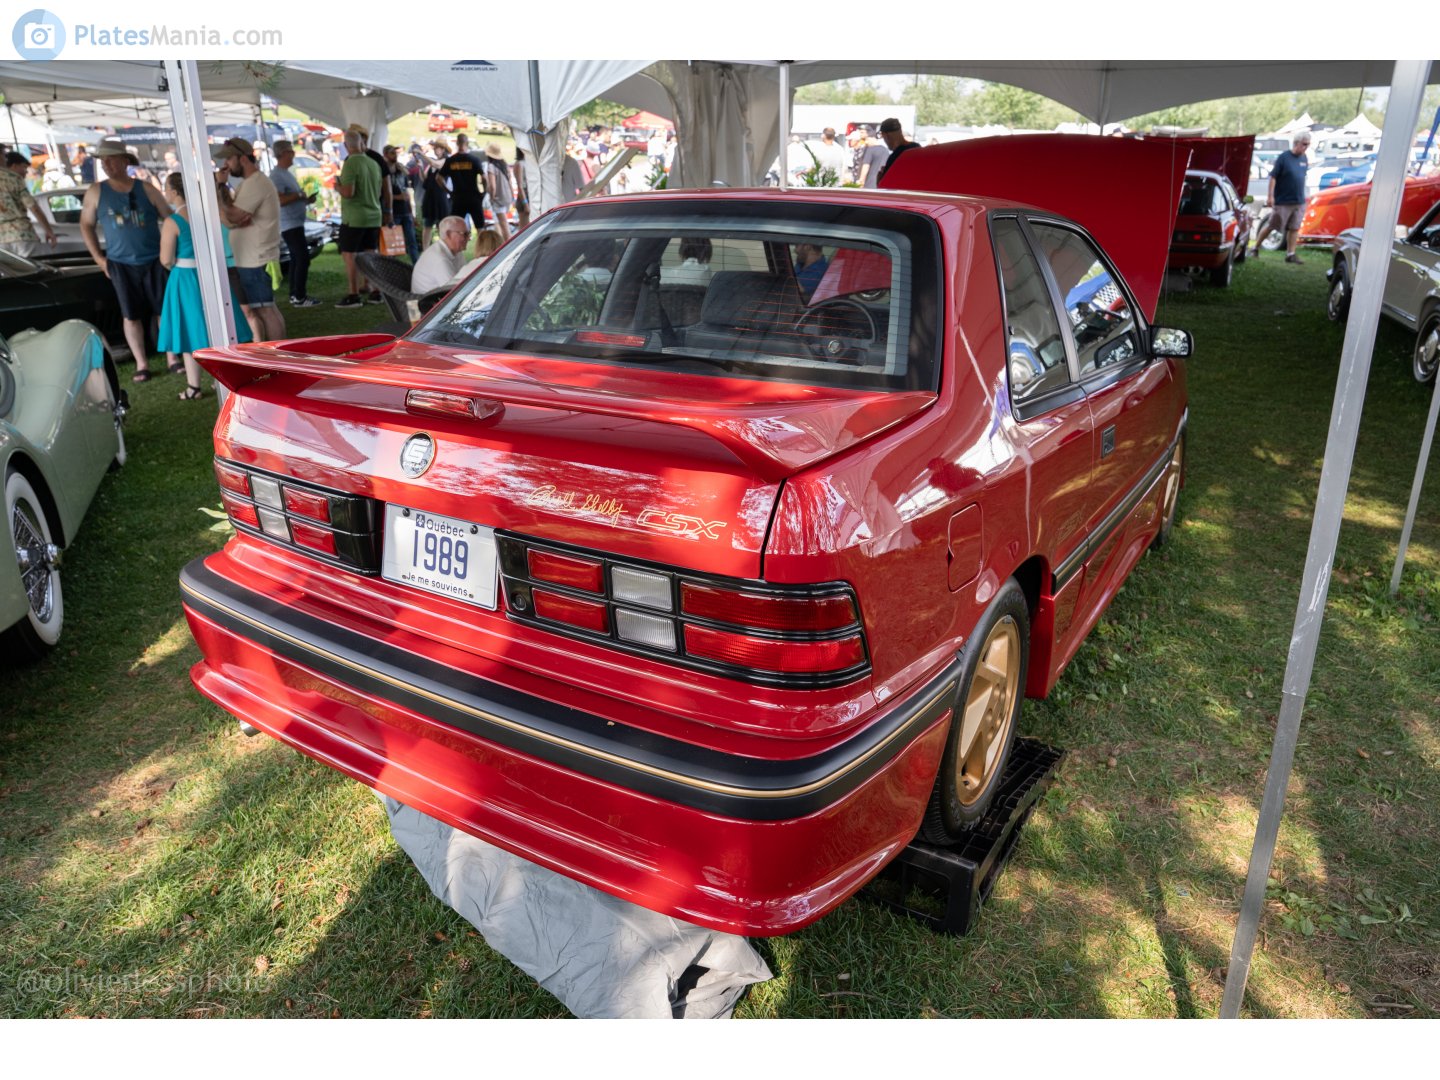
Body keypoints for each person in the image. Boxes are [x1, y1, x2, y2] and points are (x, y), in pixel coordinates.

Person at [79, 136, 172, 381]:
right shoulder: (96, 191)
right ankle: (142, 363)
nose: (106, 165)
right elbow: (86, 225)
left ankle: (172, 358)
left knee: (163, 311)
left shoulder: (146, 188)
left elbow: (169, 217)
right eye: (103, 161)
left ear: (124, 161)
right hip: (120, 263)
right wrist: (100, 259)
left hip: (153, 260)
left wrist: (169, 251)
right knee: (130, 315)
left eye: (111, 160)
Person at [156, 172, 252, 400]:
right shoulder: (206, 215)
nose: (165, 192)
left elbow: (165, 258)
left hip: (185, 277)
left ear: (175, 191)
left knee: (190, 330)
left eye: (167, 188)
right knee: (217, 325)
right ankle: (219, 378)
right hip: (211, 274)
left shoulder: (173, 221)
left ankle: (194, 386)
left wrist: (176, 267)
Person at [213, 136, 286, 342]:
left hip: (256, 257)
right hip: (252, 256)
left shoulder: (256, 183)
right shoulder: (249, 183)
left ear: (243, 158)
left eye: (229, 159)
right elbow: (232, 219)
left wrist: (220, 187)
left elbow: (233, 216)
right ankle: (278, 356)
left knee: (265, 310)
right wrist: (231, 213)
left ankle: (279, 358)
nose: (225, 165)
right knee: (263, 308)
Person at [335, 125, 382, 309]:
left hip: (355, 217)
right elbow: (379, 190)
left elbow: (348, 192)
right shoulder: (373, 163)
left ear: (347, 146)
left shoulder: (351, 162)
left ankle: (353, 294)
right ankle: (376, 291)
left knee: (349, 254)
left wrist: (337, 187)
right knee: (371, 254)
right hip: (374, 214)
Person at [270, 139, 320, 307]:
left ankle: (295, 295)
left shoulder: (286, 173)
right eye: (291, 151)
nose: (293, 154)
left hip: (295, 222)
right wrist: (299, 196)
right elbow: (280, 199)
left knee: (297, 258)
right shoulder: (277, 175)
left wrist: (305, 199)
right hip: (289, 223)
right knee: (302, 258)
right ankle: (299, 296)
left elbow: (290, 197)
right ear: (283, 153)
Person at [1252, 131, 1312, 264]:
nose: (1306, 147)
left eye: (1308, 145)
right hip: (1283, 201)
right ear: (1297, 143)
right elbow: (1273, 177)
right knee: (1272, 225)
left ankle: (1290, 254)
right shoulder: (1284, 158)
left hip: (1299, 200)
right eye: (1304, 144)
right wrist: (1270, 196)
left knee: (1294, 228)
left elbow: (1301, 177)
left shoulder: (1304, 158)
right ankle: (1255, 248)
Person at [0, 151, 57, 257]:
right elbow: (33, 207)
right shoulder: (14, 177)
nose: (5, 159)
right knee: (31, 270)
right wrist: (49, 231)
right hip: (21, 234)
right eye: (3, 156)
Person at [410, 215, 471, 294]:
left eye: (468, 233)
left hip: (440, 296)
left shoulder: (455, 251)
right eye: (465, 234)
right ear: (449, 234)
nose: (469, 238)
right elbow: (456, 293)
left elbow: (466, 276)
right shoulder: (440, 260)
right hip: (428, 302)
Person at [440, 133, 486, 234]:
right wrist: (483, 192)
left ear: (457, 143)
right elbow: (484, 178)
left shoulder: (451, 161)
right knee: (480, 228)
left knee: (456, 230)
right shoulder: (474, 160)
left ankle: (458, 249)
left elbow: (438, 178)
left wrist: (449, 191)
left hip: (458, 199)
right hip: (474, 197)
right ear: (467, 143)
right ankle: (484, 248)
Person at [383, 144, 419, 261]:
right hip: (392, 212)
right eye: (392, 153)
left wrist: (412, 213)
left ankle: (416, 266)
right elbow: (381, 194)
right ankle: (391, 268)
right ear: (385, 155)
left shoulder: (400, 170)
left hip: (405, 211)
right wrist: (397, 197)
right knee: (392, 243)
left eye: (396, 153)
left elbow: (407, 193)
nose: (395, 155)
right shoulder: (384, 172)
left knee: (412, 241)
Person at [420, 140, 452, 249]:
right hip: (430, 196)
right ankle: (425, 250)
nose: (435, 150)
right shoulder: (432, 162)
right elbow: (424, 178)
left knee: (442, 226)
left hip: (440, 197)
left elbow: (435, 164)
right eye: (434, 148)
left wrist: (421, 154)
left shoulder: (445, 161)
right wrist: (420, 167)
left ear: (443, 149)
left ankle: (445, 248)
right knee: (427, 225)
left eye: (437, 148)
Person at [482, 142, 513, 244]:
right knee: (502, 223)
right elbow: (510, 182)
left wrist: (492, 198)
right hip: (507, 197)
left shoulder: (491, 166)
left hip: (498, 199)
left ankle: (508, 246)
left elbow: (492, 186)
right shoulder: (504, 165)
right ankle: (504, 243)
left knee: (503, 224)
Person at [876, 118, 920, 185]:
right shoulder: (916, 148)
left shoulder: (894, 157)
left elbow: (884, 186)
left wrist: (879, 178)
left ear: (887, 136)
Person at [512, 147, 531, 231]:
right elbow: (520, 186)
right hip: (523, 198)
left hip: (529, 196)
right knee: (525, 229)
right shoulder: (519, 164)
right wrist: (525, 203)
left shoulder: (527, 162)